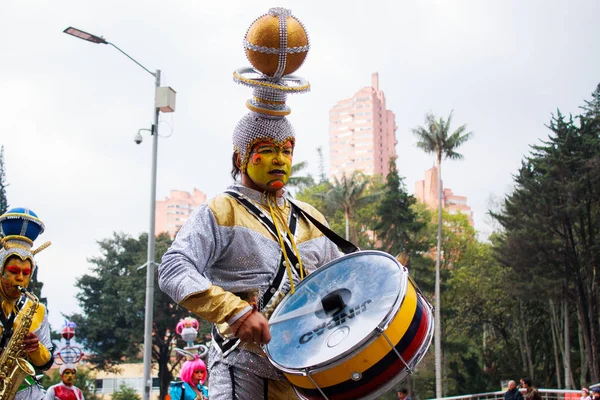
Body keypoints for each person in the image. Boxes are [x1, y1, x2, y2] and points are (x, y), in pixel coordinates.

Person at [158, 7, 342, 400]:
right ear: (241, 158)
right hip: (243, 371)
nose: (279, 160)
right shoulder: (221, 211)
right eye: (266, 150)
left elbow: (337, 288)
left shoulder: (313, 219)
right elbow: (173, 267)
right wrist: (234, 311)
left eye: (286, 151)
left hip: (306, 373)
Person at [0, 207, 53, 400]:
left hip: (27, 393)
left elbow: (46, 363)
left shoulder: (36, 309)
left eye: (26, 273)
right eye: (14, 271)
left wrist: (36, 348)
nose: (20, 279)